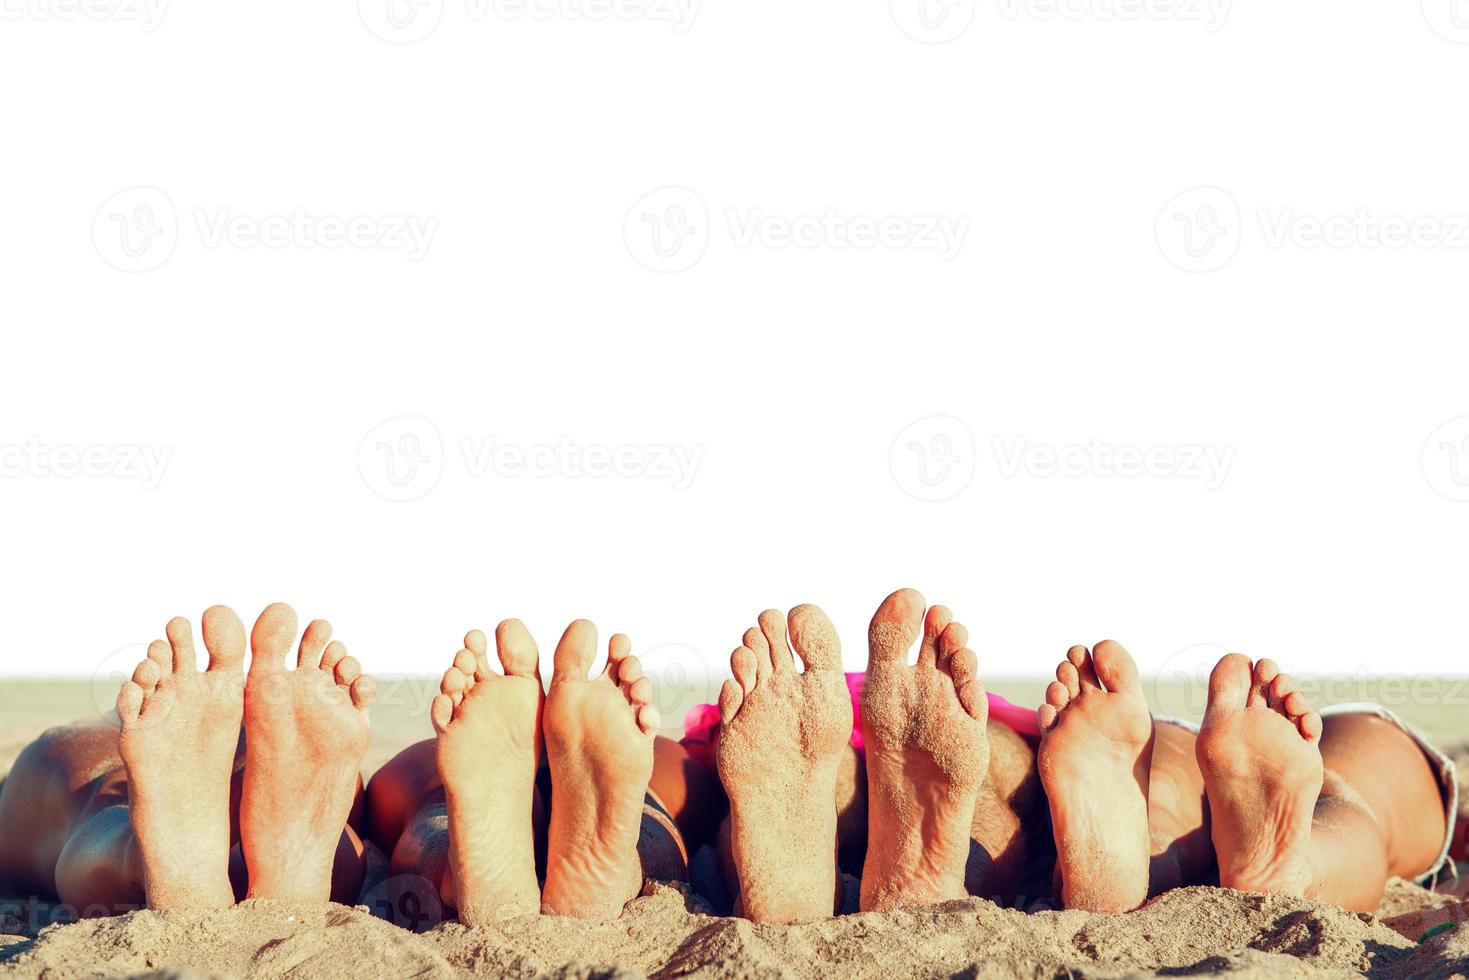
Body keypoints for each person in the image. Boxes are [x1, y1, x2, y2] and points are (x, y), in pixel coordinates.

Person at [0, 603, 376, 914]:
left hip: (180, 745)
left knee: (97, 785)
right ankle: (305, 861)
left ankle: (137, 855)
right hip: (249, 748)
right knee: (321, 801)